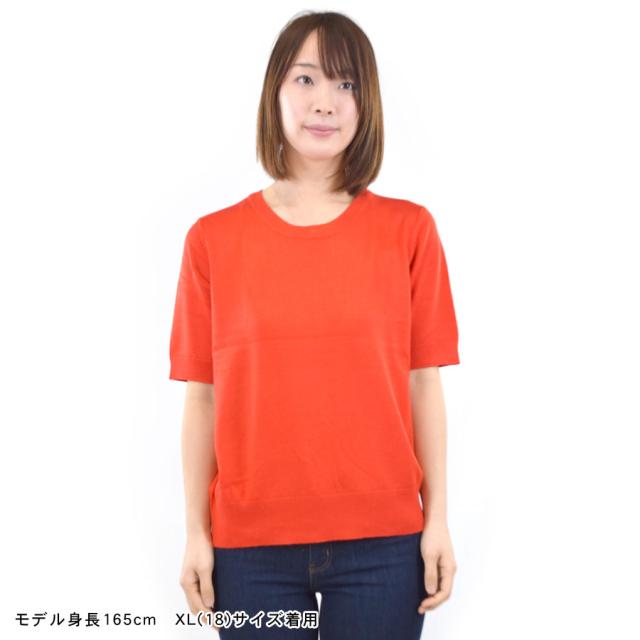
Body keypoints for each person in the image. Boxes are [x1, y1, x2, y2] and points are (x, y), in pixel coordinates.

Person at [169, 10, 460, 639]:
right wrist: (195, 531)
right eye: (305, 79)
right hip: (249, 551)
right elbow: (202, 397)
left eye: (346, 84)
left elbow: (423, 384)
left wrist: (437, 517)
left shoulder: (410, 231)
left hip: (385, 545)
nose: (325, 102)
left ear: (366, 102)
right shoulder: (212, 240)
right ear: (274, 92)